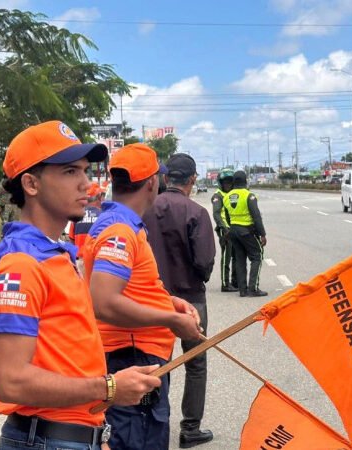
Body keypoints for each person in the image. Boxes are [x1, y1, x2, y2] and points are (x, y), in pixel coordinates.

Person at [0, 120, 161, 450]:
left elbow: (69, 357)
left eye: (85, 171)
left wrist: (97, 432)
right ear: (31, 184)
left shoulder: (54, 253)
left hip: (71, 435)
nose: (87, 185)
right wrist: (108, 388)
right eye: (70, 172)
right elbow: (10, 381)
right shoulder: (21, 265)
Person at [83, 143, 202, 450]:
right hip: (132, 357)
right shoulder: (120, 232)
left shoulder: (121, 226)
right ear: (152, 183)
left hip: (134, 354)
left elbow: (130, 286)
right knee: (138, 438)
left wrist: (169, 301)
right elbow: (104, 300)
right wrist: (171, 319)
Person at [143, 153, 216, 448]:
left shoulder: (145, 211)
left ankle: (152, 424)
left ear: (164, 178)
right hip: (190, 299)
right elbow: (204, 263)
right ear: (192, 180)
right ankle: (190, 428)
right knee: (195, 363)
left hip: (151, 299)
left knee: (156, 362)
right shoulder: (196, 212)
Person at [223, 170, 268, 297]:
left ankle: (243, 290)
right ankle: (253, 288)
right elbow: (256, 216)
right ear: (245, 181)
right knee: (257, 256)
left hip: (233, 231)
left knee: (240, 259)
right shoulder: (249, 196)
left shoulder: (227, 196)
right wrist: (262, 234)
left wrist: (232, 228)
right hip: (247, 231)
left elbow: (227, 217)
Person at [211, 169, 238, 292]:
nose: (228, 185)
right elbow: (216, 214)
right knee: (226, 257)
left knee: (236, 256)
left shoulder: (232, 195)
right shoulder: (218, 196)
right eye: (225, 182)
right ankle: (225, 284)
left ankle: (234, 281)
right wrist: (224, 228)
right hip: (225, 230)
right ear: (221, 183)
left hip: (233, 229)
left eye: (230, 182)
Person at [68, 182, 105, 271]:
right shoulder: (104, 216)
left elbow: (72, 240)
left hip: (80, 262)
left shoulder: (77, 216)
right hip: (99, 263)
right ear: (99, 197)